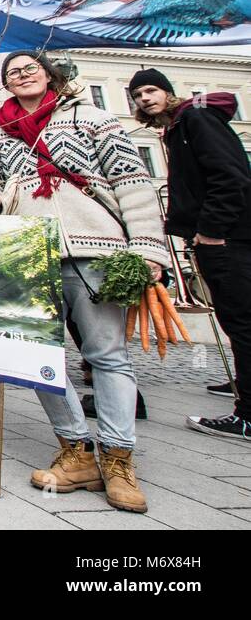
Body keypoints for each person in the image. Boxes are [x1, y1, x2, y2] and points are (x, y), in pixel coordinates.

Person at [0, 51, 169, 513]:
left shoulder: (94, 118)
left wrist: (147, 247)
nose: (21, 77)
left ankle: (119, 458)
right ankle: (76, 449)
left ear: (48, 74)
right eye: (12, 74)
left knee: (107, 356)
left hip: (94, 249)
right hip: (30, 253)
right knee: (37, 357)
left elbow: (133, 182)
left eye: (29, 69)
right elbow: (1, 193)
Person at [130, 68, 251, 441]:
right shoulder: (178, 127)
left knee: (242, 322)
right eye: (137, 95)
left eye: (151, 90)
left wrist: (211, 232)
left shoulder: (195, 119)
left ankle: (247, 414)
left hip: (228, 239)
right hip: (223, 238)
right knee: (236, 321)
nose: (144, 99)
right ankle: (242, 387)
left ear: (169, 92)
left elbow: (231, 178)